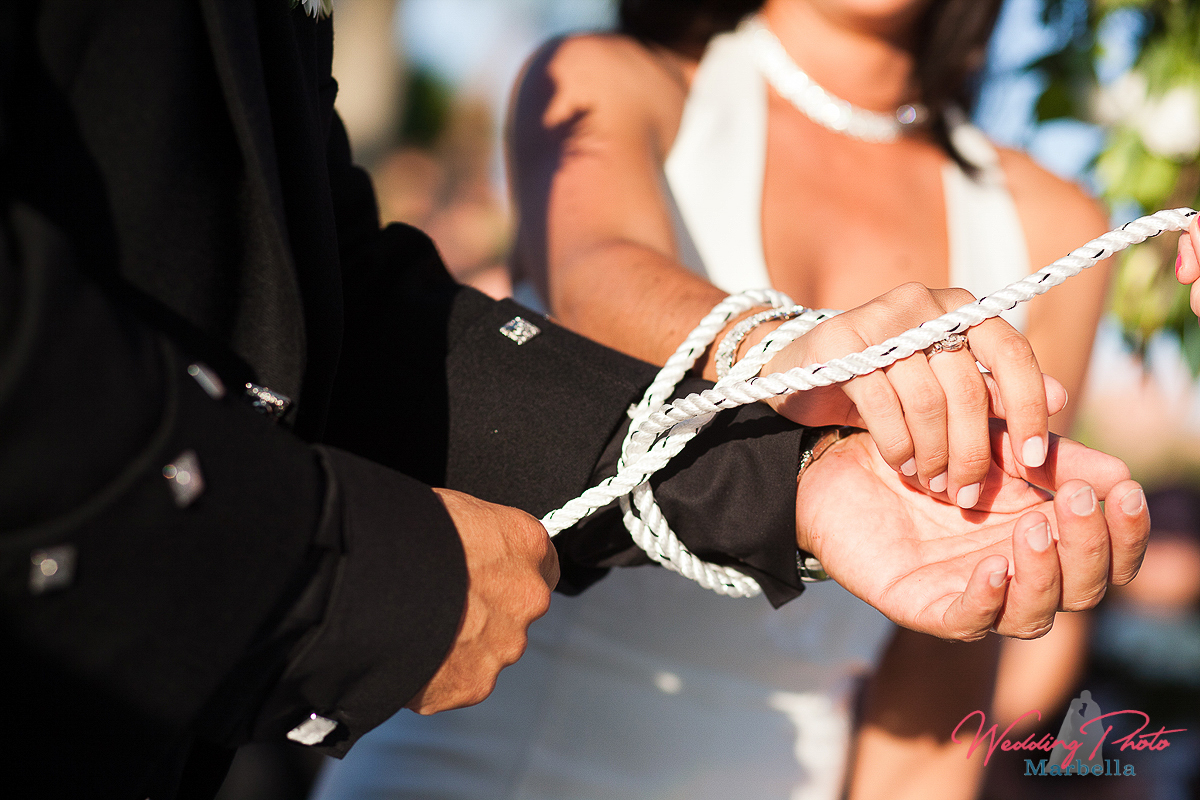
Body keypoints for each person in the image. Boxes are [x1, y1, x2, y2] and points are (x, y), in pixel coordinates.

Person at [0, 2, 1148, 799]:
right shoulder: (609, 78)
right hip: (492, 753)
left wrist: (818, 484)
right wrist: (789, 353)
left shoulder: (1055, 221)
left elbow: (943, 674)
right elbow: (597, 277)